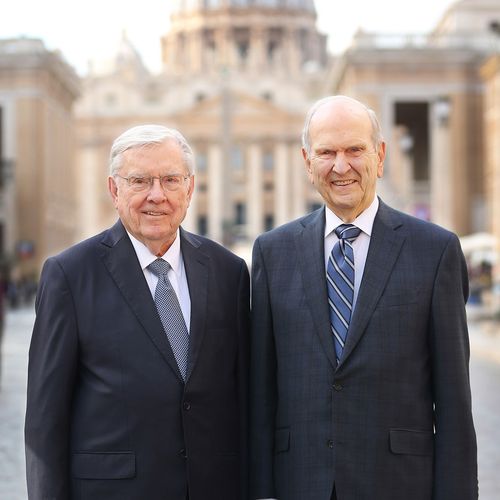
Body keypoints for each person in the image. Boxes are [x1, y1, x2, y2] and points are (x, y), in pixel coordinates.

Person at [249, 95, 477, 500]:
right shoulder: (272, 251)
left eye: (355, 150)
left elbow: (455, 400)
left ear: (380, 154)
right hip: (299, 483)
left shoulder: (435, 251)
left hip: (400, 483)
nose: (341, 166)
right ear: (307, 161)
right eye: (326, 152)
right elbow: (263, 393)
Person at [25, 125, 250, 500]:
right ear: (115, 190)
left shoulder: (229, 272)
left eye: (170, 180)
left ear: (190, 188)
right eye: (140, 181)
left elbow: (242, 399)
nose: (156, 195)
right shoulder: (69, 274)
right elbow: (45, 422)